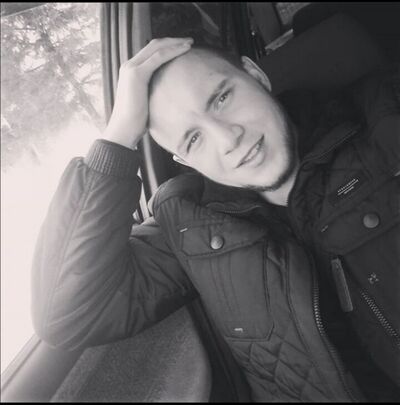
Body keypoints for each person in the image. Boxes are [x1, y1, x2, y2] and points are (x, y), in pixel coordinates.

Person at [31, 37, 399, 402]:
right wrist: (117, 138)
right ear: (185, 161)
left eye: (222, 98)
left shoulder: (382, 118)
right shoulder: (190, 223)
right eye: (193, 140)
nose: (228, 138)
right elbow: (64, 315)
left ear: (255, 75)